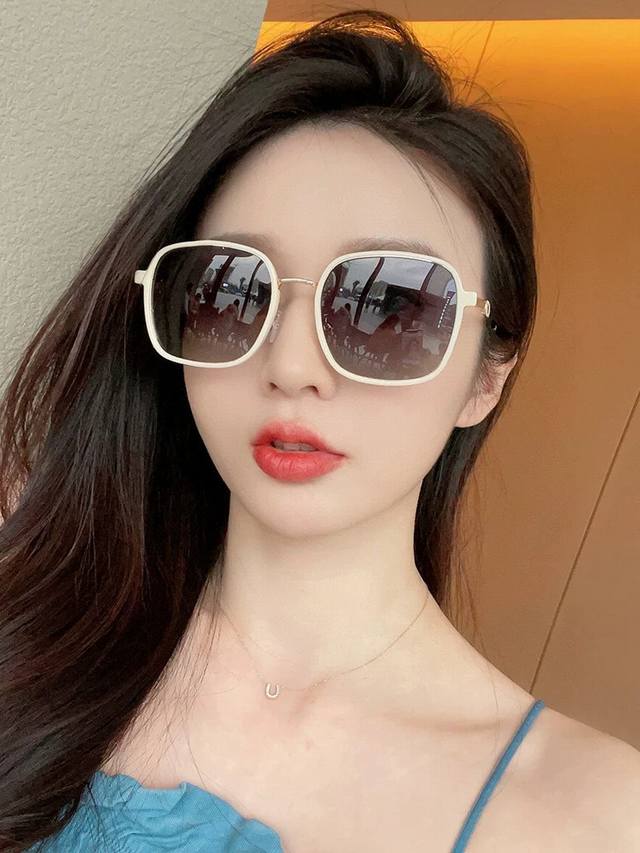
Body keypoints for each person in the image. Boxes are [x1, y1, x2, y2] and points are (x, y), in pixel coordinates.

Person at [2, 10, 638, 853]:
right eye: (235, 288)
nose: (292, 364)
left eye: (392, 305)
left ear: (486, 376)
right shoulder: (33, 629)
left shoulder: (595, 816)